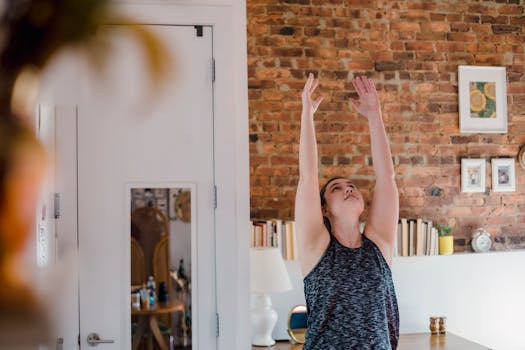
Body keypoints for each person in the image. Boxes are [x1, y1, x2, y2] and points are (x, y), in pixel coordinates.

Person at [295, 73, 399, 349]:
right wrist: (307, 111)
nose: (348, 188)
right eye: (336, 188)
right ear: (324, 210)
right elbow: (307, 177)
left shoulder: (379, 245)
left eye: (351, 185)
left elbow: (386, 178)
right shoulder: (316, 247)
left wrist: (374, 115)